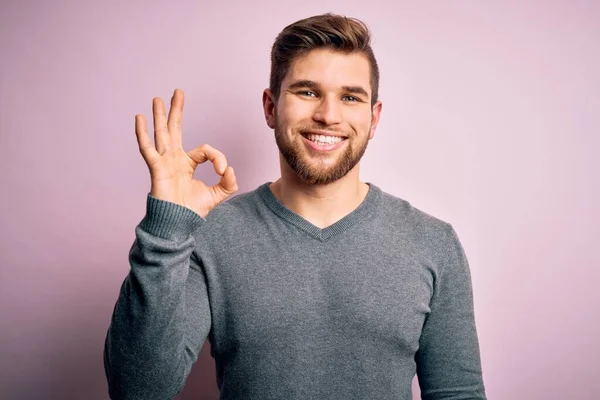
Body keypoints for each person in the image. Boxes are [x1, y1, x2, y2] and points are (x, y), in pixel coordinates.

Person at [103, 13, 487, 400]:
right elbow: (137, 391)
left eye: (350, 97)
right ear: (270, 107)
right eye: (307, 91)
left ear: (373, 119)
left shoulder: (433, 243)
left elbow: (459, 394)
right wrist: (165, 228)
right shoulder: (212, 235)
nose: (328, 115)